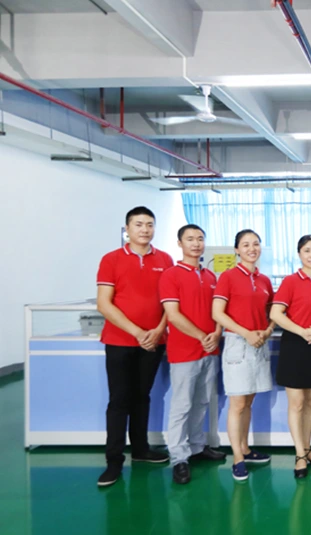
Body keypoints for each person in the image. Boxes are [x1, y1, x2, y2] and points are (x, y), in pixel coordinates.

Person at [95, 206, 174, 487]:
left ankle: (140, 449)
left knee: (143, 396)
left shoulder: (164, 259)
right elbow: (104, 303)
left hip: (154, 342)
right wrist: (138, 332)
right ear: (127, 229)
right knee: (119, 400)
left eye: (149, 224)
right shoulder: (111, 259)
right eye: (138, 224)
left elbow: (170, 302)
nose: (145, 229)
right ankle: (114, 461)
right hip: (119, 341)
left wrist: (159, 329)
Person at [159, 224, 226, 485]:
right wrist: (202, 336)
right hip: (184, 351)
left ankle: (197, 447)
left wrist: (217, 333)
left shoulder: (211, 276)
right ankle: (179, 457)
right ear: (180, 243)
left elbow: (219, 311)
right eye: (190, 239)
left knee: (202, 402)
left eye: (200, 239)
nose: (196, 243)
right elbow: (173, 315)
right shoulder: (171, 275)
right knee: (182, 405)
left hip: (210, 349)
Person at [212, 229, 274, 481]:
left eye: (256, 244)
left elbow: (273, 313)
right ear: (237, 250)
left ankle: (246, 449)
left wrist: (267, 330)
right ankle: (237, 457)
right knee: (237, 404)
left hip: (259, 342)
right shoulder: (228, 277)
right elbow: (218, 313)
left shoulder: (264, 280)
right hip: (238, 343)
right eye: (246, 245)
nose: (252, 249)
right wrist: (246, 333)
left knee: (248, 401)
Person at [271, 235, 311, 479]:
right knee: (297, 403)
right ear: (299, 254)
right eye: (307, 250)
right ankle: (299, 455)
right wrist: (303, 331)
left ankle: (307, 449)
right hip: (295, 345)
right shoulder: (290, 281)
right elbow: (276, 313)